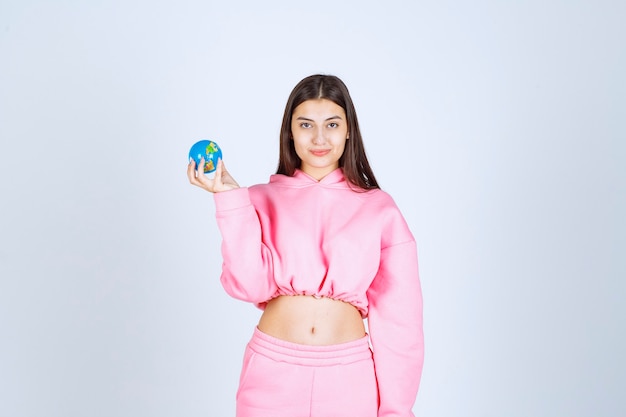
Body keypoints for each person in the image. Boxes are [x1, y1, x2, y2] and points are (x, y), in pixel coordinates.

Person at [187, 74, 424, 417]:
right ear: (290, 132)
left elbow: (401, 321)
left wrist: (397, 410)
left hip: (348, 380)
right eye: (305, 125)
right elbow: (247, 284)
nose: (319, 138)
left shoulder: (379, 208)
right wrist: (230, 200)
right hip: (271, 376)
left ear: (347, 130)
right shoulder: (257, 199)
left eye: (331, 124)